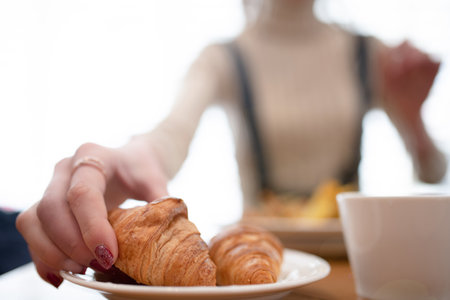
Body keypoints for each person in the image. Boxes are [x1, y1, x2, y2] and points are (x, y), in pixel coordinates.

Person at [16, 0, 447, 288]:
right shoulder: (223, 57)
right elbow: (168, 137)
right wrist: (125, 160)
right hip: (264, 271)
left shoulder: (370, 52)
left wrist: (414, 121)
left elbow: (433, 172)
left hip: (353, 268)